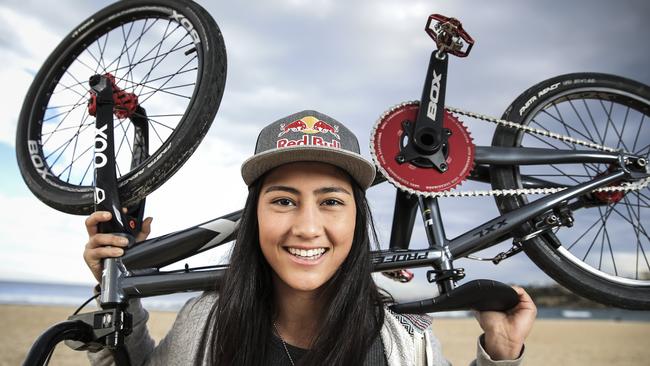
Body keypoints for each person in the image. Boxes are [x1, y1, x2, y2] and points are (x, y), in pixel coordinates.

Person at [84, 110, 536, 365]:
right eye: (283, 201)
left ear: (358, 219)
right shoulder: (206, 320)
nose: (306, 226)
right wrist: (114, 292)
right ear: (254, 217)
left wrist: (500, 353)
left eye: (332, 201)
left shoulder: (404, 337)